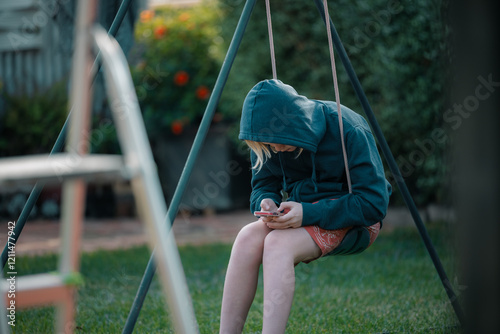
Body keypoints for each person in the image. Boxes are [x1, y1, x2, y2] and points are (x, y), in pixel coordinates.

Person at [219, 80, 391, 333]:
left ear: (294, 122)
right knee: (247, 237)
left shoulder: (350, 129)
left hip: (356, 219)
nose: (274, 148)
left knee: (277, 244)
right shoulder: (268, 138)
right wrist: (266, 202)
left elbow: (373, 204)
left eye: (276, 141)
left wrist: (309, 212)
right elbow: (263, 184)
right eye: (267, 144)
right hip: (303, 214)